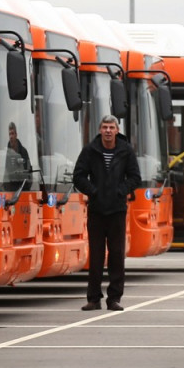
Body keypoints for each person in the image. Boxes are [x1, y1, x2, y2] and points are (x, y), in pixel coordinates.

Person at [73, 115, 140, 311]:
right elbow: (78, 176)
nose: (108, 131)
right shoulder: (90, 150)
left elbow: (135, 177)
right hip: (96, 210)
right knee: (96, 255)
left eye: (111, 127)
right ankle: (93, 299)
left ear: (117, 130)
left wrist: (121, 191)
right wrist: (93, 191)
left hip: (117, 210)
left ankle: (114, 298)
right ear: (100, 130)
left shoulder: (125, 151)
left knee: (117, 254)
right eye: (105, 127)